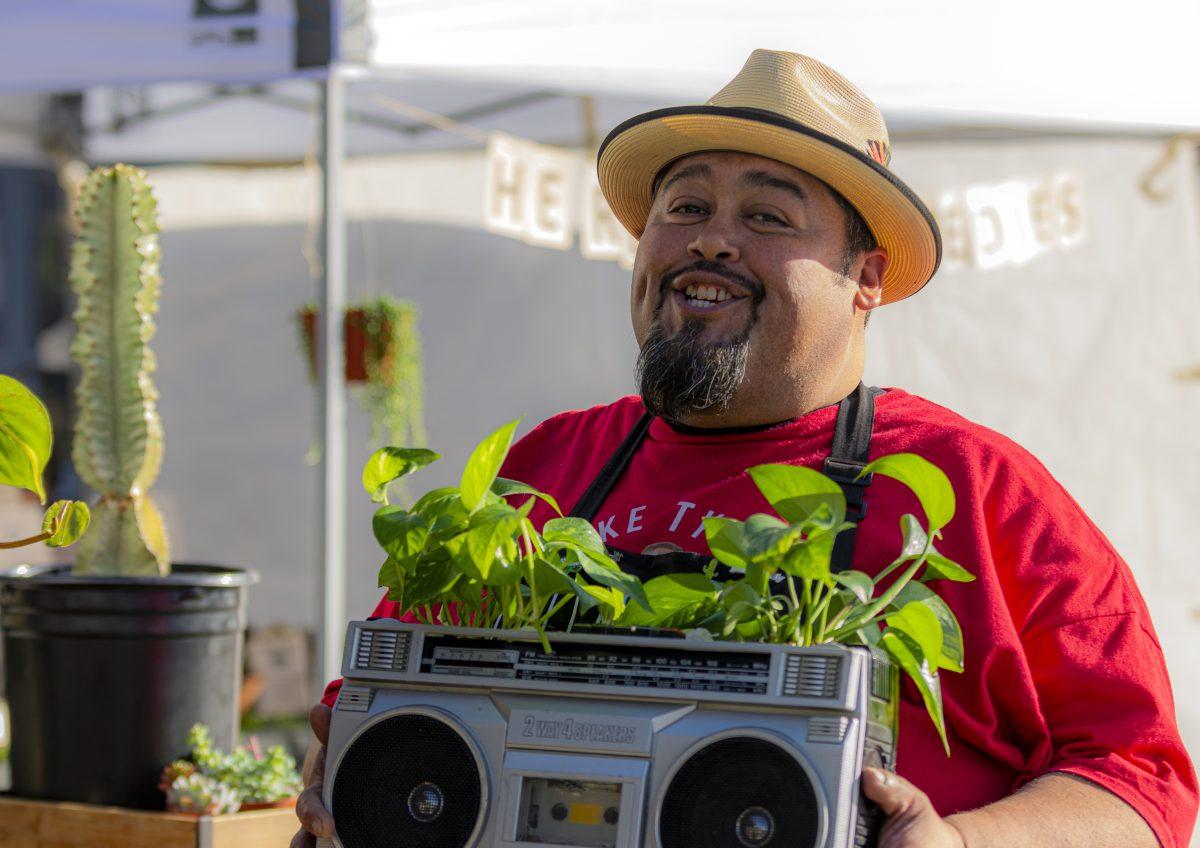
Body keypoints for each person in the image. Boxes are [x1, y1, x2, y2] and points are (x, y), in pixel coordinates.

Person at [292, 50, 1197, 848]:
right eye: (685, 206)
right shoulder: (548, 468)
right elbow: (381, 712)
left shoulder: (975, 489)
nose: (712, 239)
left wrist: (961, 844)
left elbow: (1143, 785)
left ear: (865, 277)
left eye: (767, 217)